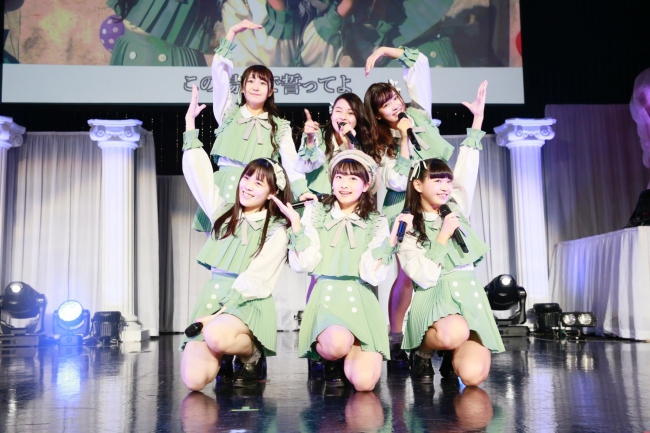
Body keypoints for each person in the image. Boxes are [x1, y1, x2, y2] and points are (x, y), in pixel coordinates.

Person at [364, 45, 484, 369]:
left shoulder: (419, 115)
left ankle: (438, 332)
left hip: (435, 202)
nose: (395, 105)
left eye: (395, 98)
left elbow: (419, 62)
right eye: (386, 104)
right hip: (403, 205)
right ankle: (396, 337)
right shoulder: (381, 143)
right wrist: (404, 139)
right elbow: (394, 180)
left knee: (442, 264)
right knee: (408, 274)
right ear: (378, 114)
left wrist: (383, 50)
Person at [180, 84, 293, 390]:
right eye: (246, 179)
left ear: (272, 193)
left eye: (258, 183)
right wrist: (190, 127)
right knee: (193, 381)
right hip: (213, 296)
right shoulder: (222, 210)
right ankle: (221, 351)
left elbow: (257, 278)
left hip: (246, 302)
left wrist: (219, 314)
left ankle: (251, 351)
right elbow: (199, 175)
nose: (248, 186)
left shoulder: (275, 228)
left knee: (217, 334)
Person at [273, 149, 412, 392]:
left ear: (366, 185)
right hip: (327, 299)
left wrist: (391, 241)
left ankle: (348, 356)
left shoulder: (377, 220)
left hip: (361, 301)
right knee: (337, 343)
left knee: (365, 383)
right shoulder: (316, 212)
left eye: (352, 178)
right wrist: (296, 227)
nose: (344, 184)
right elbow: (304, 264)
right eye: (339, 177)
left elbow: (371, 274)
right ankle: (331, 359)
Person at [398, 81, 505, 386]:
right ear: (418, 185)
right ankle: (422, 351)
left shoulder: (456, 206)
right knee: (453, 332)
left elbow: (468, 166)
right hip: (435, 296)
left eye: (447, 180)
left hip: (469, 294)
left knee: (473, 376)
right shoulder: (409, 224)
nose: (446, 186)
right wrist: (442, 237)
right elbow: (422, 276)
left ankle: (451, 356)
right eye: (437, 180)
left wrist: (477, 121)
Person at [192, 19, 314, 233]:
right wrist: (232, 33)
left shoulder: (279, 126)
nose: (256, 87)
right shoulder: (228, 113)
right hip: (223, 189)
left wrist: (301, 190)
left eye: (262, 83)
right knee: (220, 244)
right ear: (242, 88)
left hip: (258, 193)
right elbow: (219, 76)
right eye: (251, 81)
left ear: (270, 91)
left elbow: (291, 163)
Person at [295, 93, 374, 195]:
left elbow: (363, 178)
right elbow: (303, 167)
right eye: (338, 111)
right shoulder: (317, 135)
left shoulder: (361, 144)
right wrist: (310, 140)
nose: (343, 117)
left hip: (346, 198)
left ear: (358, 118)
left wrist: (349, 146)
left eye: (350, 113)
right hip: (314, 198)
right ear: (331, 114)